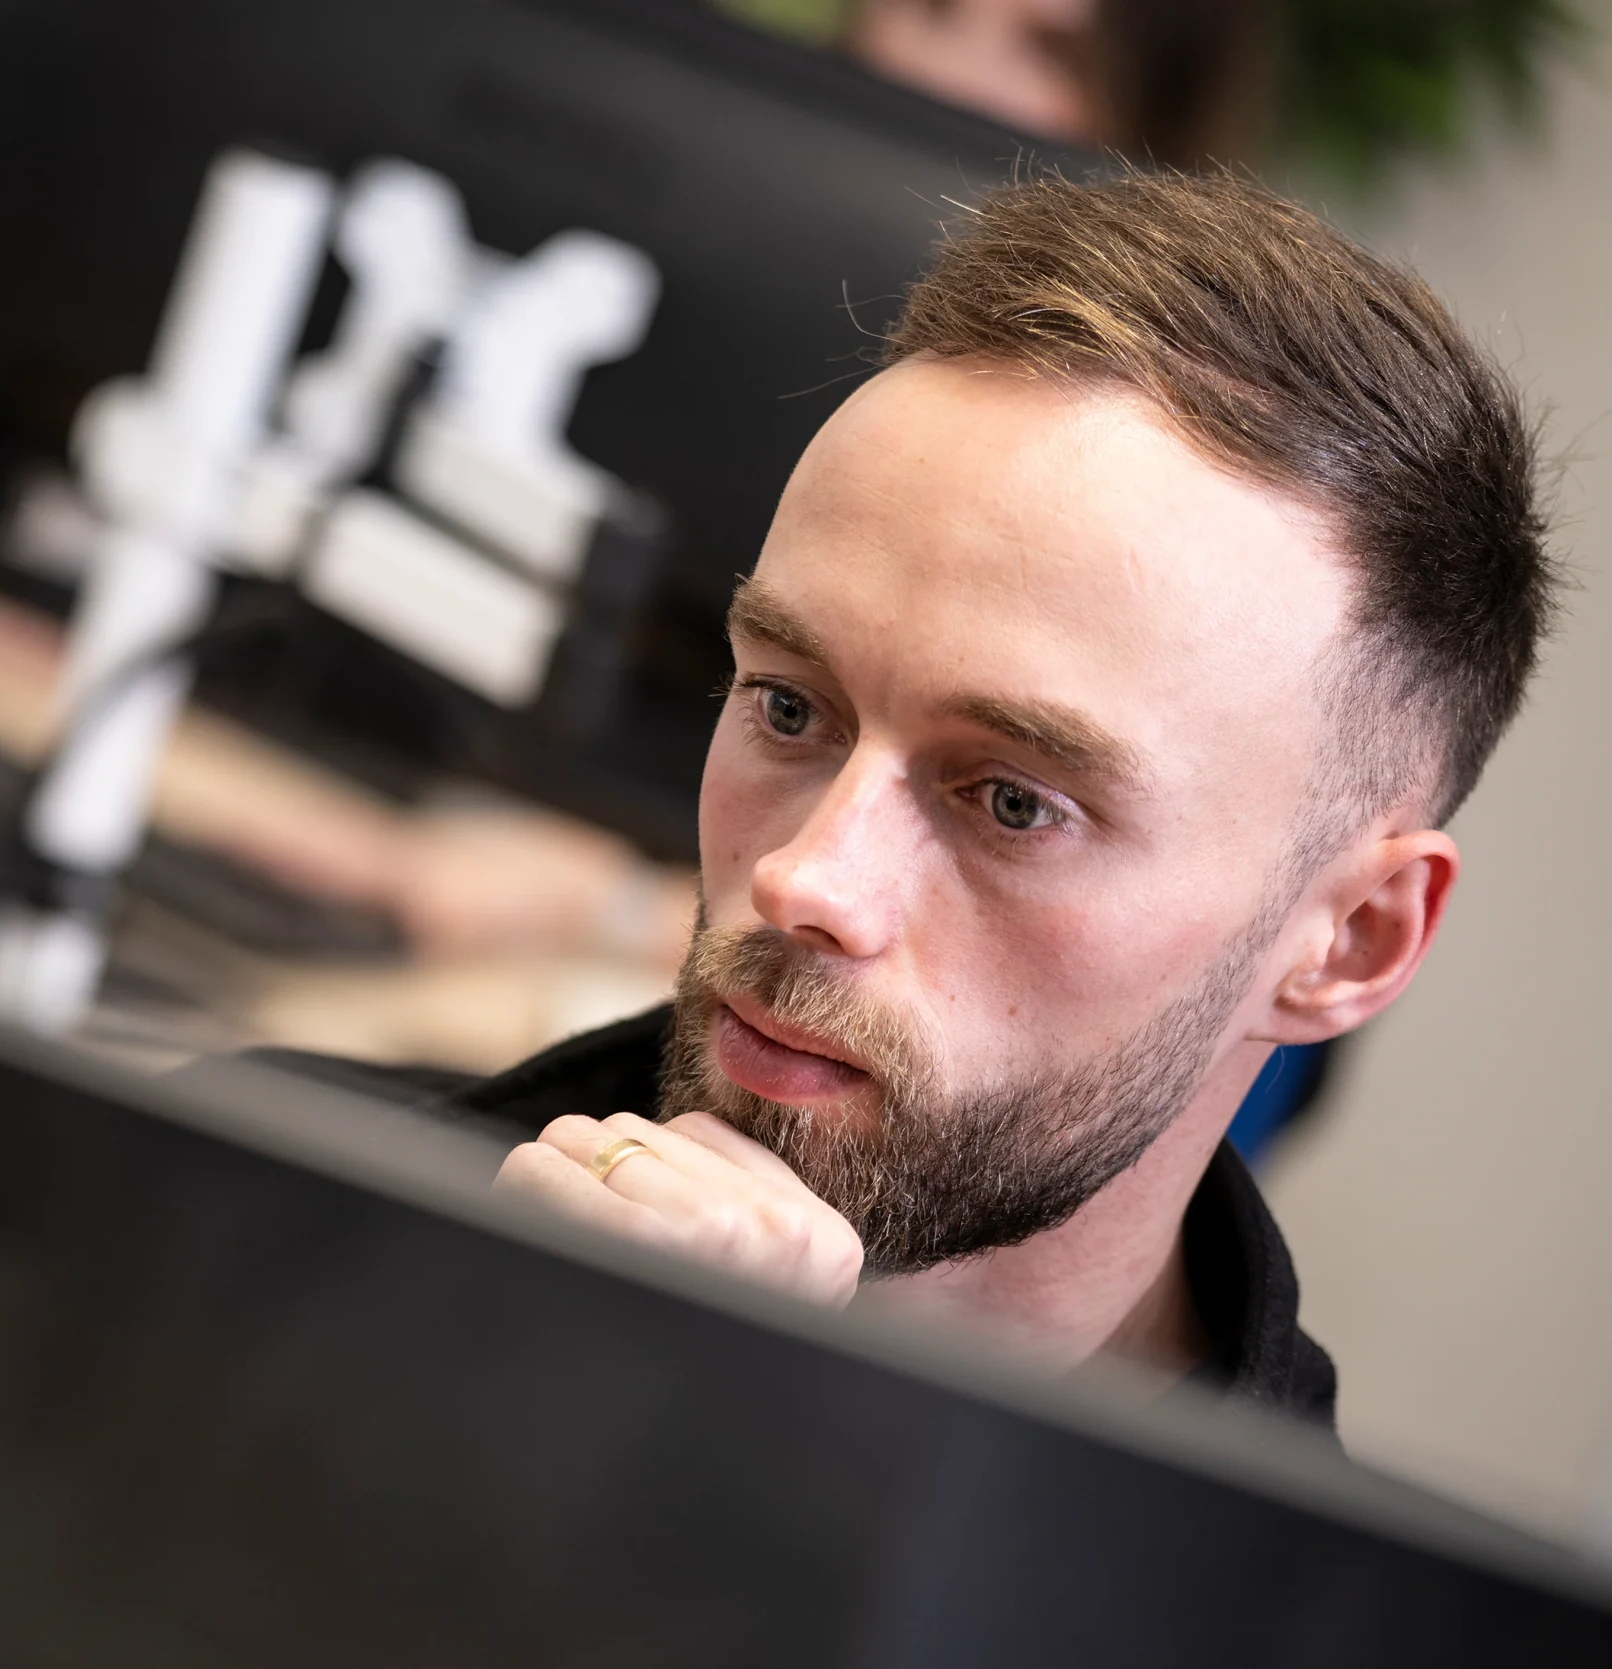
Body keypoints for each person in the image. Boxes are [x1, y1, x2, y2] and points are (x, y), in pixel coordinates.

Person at [263, 169, 1556, 1427]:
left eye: (1012, 804)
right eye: (787, 707)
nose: (807, 881)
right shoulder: (232, 1212)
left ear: (1351, 940)